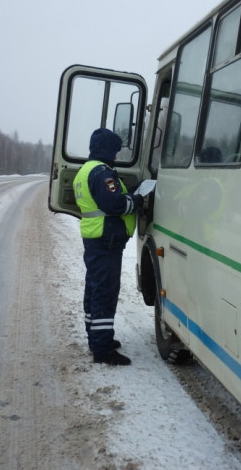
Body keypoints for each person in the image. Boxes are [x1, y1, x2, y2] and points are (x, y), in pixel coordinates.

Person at [73, 128, 143, 366]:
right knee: (104, 291)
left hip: (95, 238)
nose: (116, 155)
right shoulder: (102, 173)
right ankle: (102, 349)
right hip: (106, 240)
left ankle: (97, 338)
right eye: (115, 150)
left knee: (94, 288)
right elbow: (114, 204)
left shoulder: (85, 170)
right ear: (107, 149)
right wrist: (137, 200)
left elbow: (103, 202)